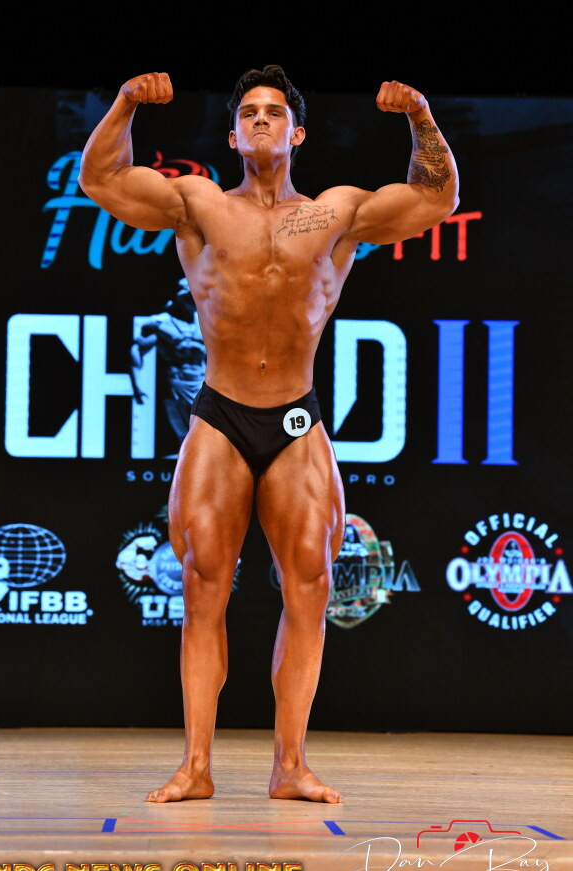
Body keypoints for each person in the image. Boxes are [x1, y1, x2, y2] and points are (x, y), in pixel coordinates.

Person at [79, 66, 459, 804]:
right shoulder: (197, 204)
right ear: (230, 135)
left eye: (274, 111)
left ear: (297, 133)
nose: (260, 119)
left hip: (294, 417)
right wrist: (124, 102)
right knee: (203, 586)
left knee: (310, 586)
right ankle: (196, 766)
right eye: (248, 112)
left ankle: (290, 766)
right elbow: (103, 180)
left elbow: (435, 199)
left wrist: (420, 115)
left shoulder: (337, 212)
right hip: (220, 413)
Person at [130, 279, 206, 454]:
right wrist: (136, 385)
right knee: (185, 435)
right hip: (177, 385)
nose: (193, 301)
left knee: (205, 433)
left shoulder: (206, 319)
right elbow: (137, 349)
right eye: (189, 297)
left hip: (202, 383)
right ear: (179, 298)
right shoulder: (160, 323)